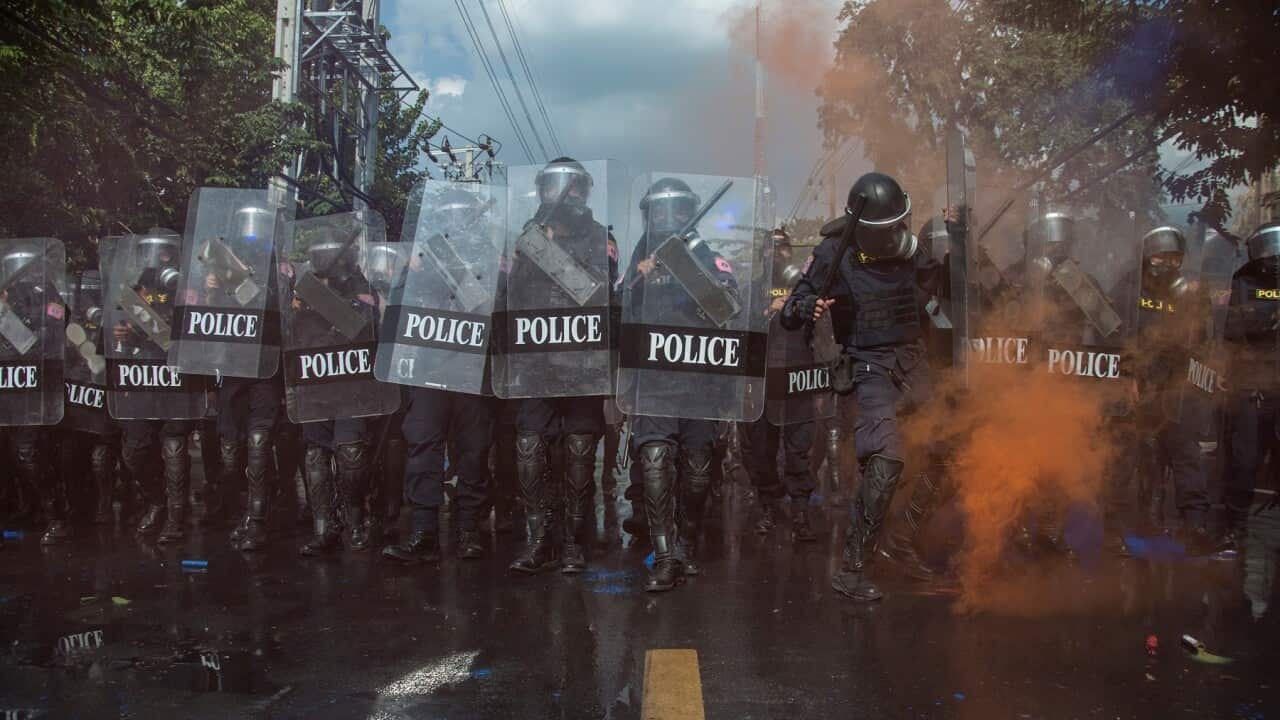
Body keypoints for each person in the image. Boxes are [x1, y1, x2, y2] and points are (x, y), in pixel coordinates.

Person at [781, 172, 944, 602]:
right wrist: (807, 306)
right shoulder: (834, 253)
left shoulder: (911, 251)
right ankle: (853, 566)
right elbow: (792, 309)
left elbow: (940, 288)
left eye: (900, 225)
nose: (896, 234)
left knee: (950, 448)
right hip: (869, 366)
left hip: (913, 361)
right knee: (886, 458)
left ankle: (902, 540)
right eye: (887, 228)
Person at [502, 158, 617, 575]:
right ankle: (538, 540)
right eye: (556, 187)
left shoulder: (599, 237)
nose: (566, 195)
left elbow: (601, 290)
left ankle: (573, 540)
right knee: (530, 448)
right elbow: (512, 295)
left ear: (584, 191)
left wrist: (551, 250)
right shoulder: (527, 237)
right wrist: (531, 250)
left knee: (580, 451)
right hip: (537, 363)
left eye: (573, 188)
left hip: (582, 363)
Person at [625, 176, 741, 592]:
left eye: (669, 211)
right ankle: (665, 554)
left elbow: (728, 306)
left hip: (698, 381)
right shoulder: (641, 257)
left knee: (696, 471)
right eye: (655, 211)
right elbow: (618, 312)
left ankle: (687, 540)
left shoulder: (706, 256)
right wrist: (635, 281)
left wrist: (685, 269)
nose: (662, 218)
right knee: (654, 460)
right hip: (653, 380)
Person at [1222, 222, 1280, 555]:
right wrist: (1265, 321)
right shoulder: (1244, 281)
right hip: (1252, 386)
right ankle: (1235, 528)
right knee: (1244, 460)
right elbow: (1233, 328)